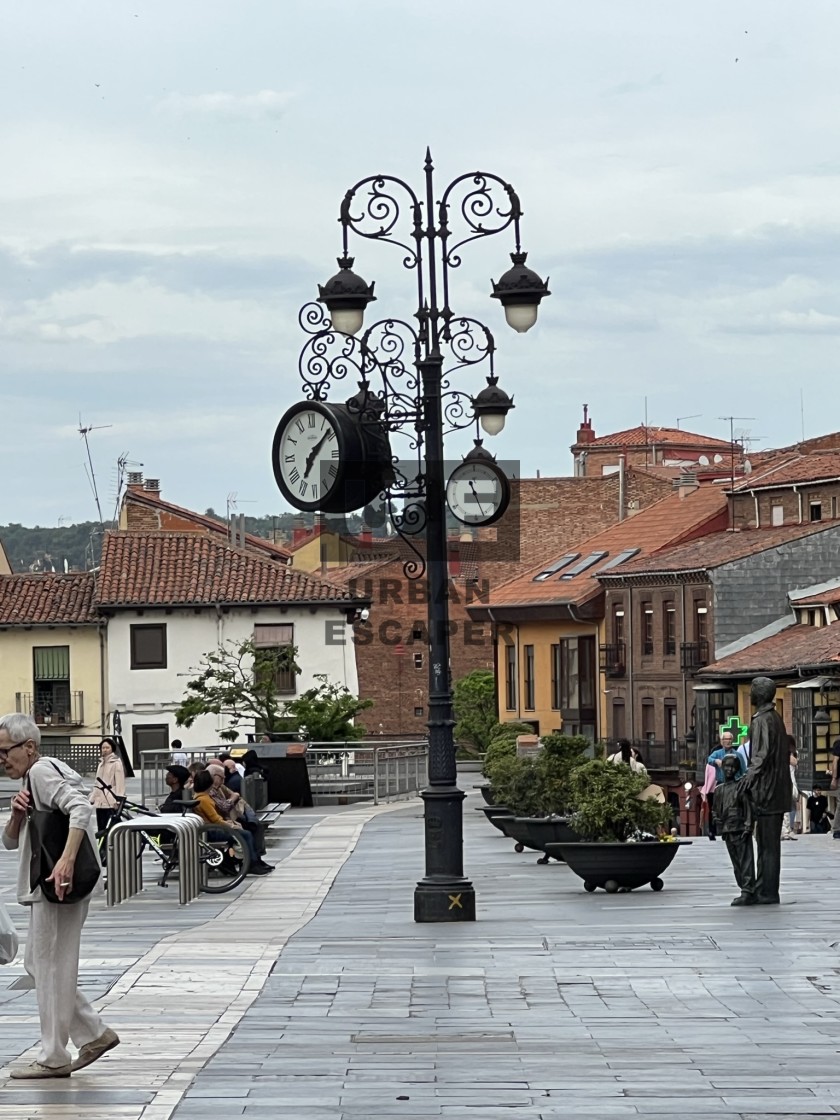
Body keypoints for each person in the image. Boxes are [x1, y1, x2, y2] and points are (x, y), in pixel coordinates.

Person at [0, 713, 120, 1078]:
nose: (2, 759)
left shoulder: (40, 772)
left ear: (29, 747)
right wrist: (17, 816)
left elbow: (81, 809)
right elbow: (8, 842)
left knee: (52, 968)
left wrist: (66, 862)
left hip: (56, 884)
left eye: (5, 751)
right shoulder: (36, 779)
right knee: (40, 966)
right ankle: (93, 1033)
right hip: (50, 885)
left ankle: (54, 1055)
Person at [740, 676, 791, 905]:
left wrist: (747, 779)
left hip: (767, 792)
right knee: (768, 845)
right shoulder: (775, 718)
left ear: (759, 694)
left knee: (767, 846)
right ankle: (764, 888)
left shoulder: (763, 720)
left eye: (752, 691)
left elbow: (761, 755)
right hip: (776, 790)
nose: (750, 694)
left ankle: (767, 892)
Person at [191, 770, 271, 875]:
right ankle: (251, 863)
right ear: (209, 783)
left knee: (247, 831)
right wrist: (231, 825)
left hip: (213, 828)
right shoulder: (204, 799)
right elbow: (216, 819)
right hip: (212, 831)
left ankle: (252, 861)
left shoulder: (202, 796)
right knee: (246, 834)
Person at [714, 752, 756, 906]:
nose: (729, 770)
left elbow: (748, 808)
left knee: (746, 860)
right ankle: (744, 888)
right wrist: (716, 821)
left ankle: (748, 890)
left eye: (733, 767)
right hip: (727, 830)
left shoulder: (741, 787)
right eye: (727, 767)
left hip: (740, 829)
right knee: (736, 863)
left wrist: (748, 826)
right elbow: (715, 810)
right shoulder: (719, 790)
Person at [706, 730, 747, 842]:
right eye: (725, 739)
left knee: (733, 808)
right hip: (721, 784)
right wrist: (716, 761)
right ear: (722, 741)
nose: (727, 741)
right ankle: (713, 830)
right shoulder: (718, 753)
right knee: (718, 808)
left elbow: (744, 770)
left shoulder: (737, 755)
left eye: (729, 739)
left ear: (732, 741)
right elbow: (708, 760)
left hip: (735, 784)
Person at [90, 737, 126, 834]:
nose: (105, 750)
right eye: (103, 748)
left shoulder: (116, 763)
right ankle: (102, 848)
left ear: (112, 749)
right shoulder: (100, 763)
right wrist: (92, 798)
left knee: (110, 828)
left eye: (107, 748)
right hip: (100, 801)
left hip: (111, 800)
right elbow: (97, 783)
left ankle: (110, 846)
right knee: (100, 828)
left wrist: (119, 800)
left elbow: (120, 782)